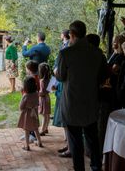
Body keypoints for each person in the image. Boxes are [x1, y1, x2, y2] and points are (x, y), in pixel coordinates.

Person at [56, 20, 108, 171]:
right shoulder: (97, 53)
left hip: (71, 104)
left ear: (71, 35)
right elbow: (103, 76)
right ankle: (96, 166)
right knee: (93, 138)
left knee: (76, 142)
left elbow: (60, 76)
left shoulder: (65, 53)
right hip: (91, 102)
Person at [53, 29, 71, 158]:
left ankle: (71, 147)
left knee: (67, 115)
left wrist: (56, 72)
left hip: (66, 86)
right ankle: (68, 143)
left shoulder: (68, 48)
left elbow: (61, 71)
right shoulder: (64, 46)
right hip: (62, 84)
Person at [17, 76, 43, 151]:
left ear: (26, 87)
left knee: (27, 130)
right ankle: (40, 142)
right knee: (36, 128)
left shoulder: (25, 96)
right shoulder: (36, 94)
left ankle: (27, 145)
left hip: (27, 115)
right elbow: (38, 103)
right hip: (34, 114)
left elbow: (21, 107)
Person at [38, 62, 51, 136]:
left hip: (43, 99)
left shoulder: (42, 81)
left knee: (44, 115)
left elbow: (42, 92)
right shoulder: (49, 79)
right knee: (47, 114)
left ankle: (42, 130)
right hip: (48, 98)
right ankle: (46, 128)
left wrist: (37, 94)